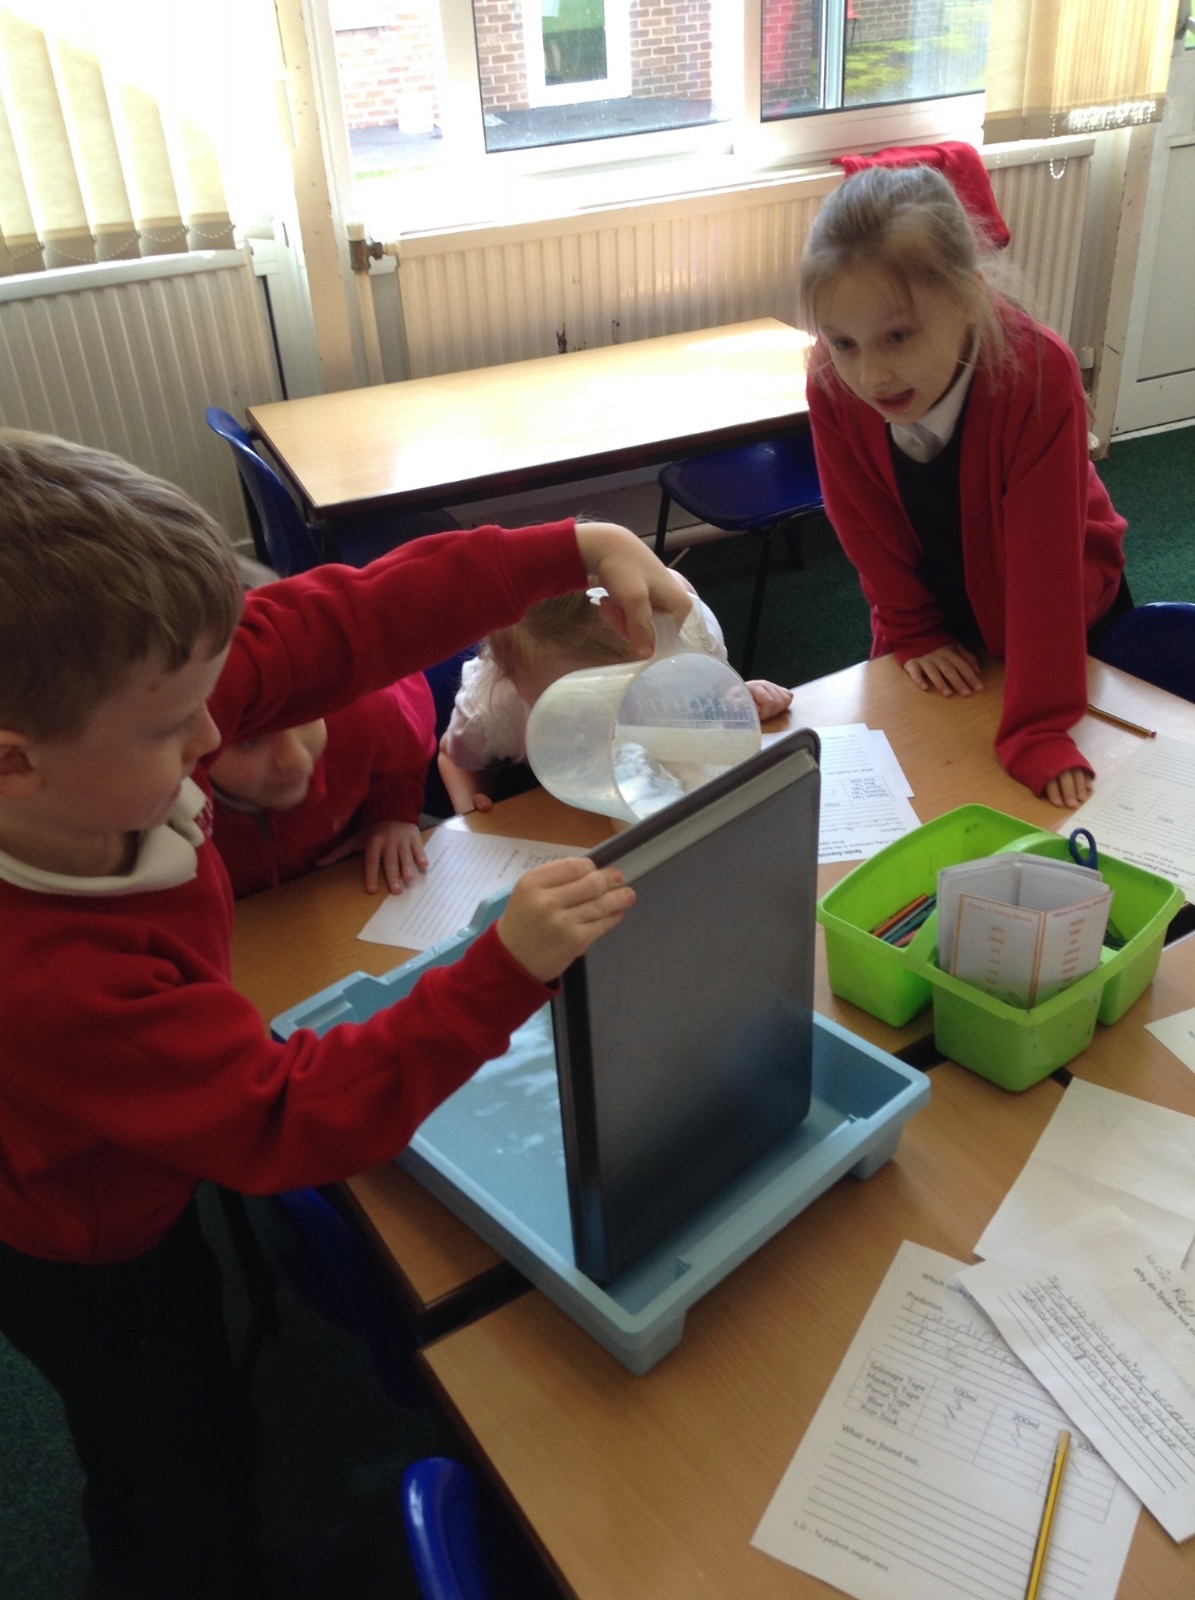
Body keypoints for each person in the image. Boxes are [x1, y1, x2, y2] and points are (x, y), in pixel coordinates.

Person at [0, 430, 689, 1600]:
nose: (214, 735)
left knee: (181, 1417)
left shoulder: (113, 697)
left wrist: (572, 545)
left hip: (127, 1144)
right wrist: (499, 968)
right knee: (170, 1444)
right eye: (175, 730)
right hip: (86, 1236)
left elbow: (351, 618)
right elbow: (286, 1116)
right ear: (15, 765)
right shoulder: (52, 978)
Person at [798, 163, 1130, 808]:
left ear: (968, 298)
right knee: (922, 773)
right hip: (938, 604)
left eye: (898, 335)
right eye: (844, 342)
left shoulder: (1037, 374)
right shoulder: (831, 379)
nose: (871, 375)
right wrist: (914, 629)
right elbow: (860, 522)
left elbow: (1045, 567)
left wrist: (1039, 728)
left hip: (1059, 616)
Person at [438, 582, 794, 814]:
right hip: (564, 805)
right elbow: (453, 759)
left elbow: (707, 689)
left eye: (628, 687)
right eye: (572, 704)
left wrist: (737, 697)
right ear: (513, 677)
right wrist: (470, 808)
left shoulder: (687, 637)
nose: (605, 714)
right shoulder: (495, 710)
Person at [211, 561, 437, 897]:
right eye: (251, 742)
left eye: (304, 716)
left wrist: (391, 813)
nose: (293, 758)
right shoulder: (156, 800)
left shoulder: (360, 709)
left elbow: (408, 740)